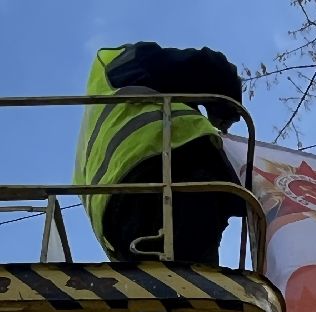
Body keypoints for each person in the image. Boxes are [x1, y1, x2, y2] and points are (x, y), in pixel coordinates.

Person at [75, 42, 247, 264]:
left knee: (170, 286)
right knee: (200, 282)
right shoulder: (116, 60)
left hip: (118, 223)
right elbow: (210, 67)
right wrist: (224, 112)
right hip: (171, 170)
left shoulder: (90, 136)